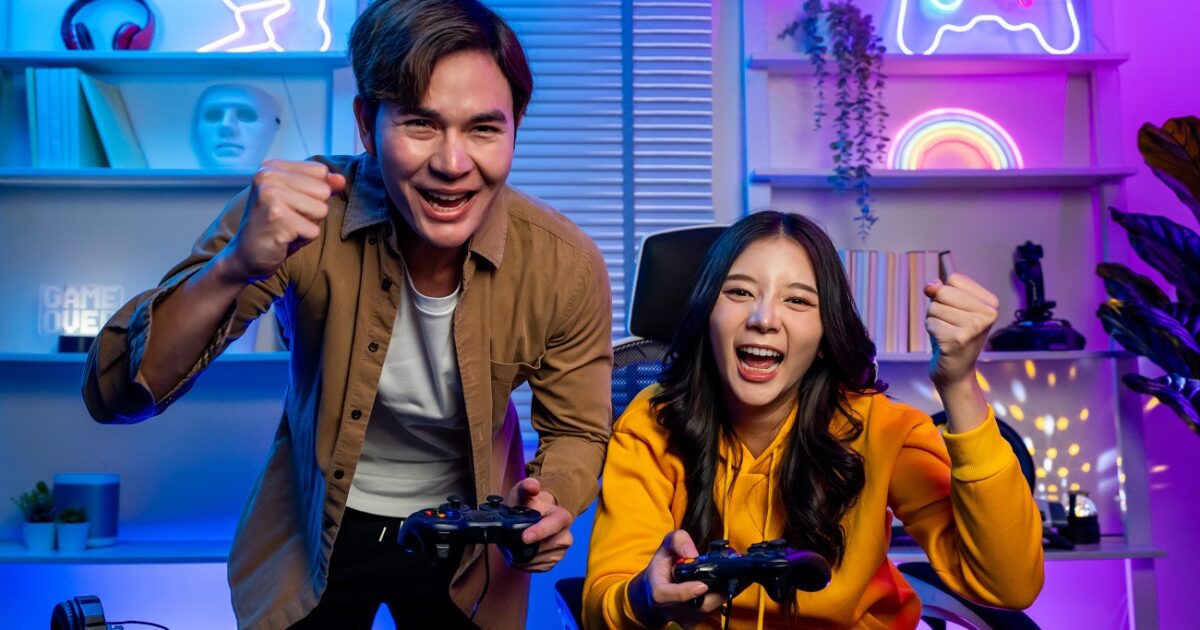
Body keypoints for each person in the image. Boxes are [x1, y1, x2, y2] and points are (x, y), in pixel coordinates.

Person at [82, 1, 613, 628]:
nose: (452, 163)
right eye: (420, 124)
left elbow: (578, 430)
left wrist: (549, 503)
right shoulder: (296, 215)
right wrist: (233, 265)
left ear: (515, 127)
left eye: (483, 129)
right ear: (366, 123)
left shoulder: (564, 262)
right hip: (317, 530)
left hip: (469, 536)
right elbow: (116, 395)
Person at [583, 211, 1044, 629]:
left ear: (825, 337)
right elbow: (603, 602)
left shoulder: (886, 429)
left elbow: (1010, 586)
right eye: (739, 292)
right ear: (708, 315)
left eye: (798, 301)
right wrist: (647, 598)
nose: (764, 318)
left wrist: (959, 384)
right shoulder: (651, 422)